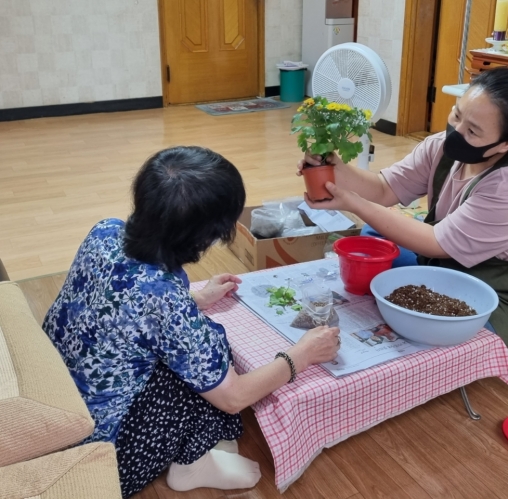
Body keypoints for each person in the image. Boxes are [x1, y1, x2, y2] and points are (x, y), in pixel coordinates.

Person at [43, 146, 340, 498]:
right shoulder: (164, 298)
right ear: (206, 236)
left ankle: (198, 451)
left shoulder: (105, 231)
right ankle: (192, 464)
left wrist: (195, 299)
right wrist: (301, 355)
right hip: (102, 457)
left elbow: (119, 309)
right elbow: (233, 397)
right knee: (213, 351)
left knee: (196, 346)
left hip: (57, 408)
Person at [298, 66, 508, 366]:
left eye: (473, 131)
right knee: (375, 237)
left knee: (432, 327)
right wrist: (334, 169)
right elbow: (384, 189)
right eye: (457, 114)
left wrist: (353, 203)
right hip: (453, 265)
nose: (456, 130)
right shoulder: (442, 148)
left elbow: (435, 243)